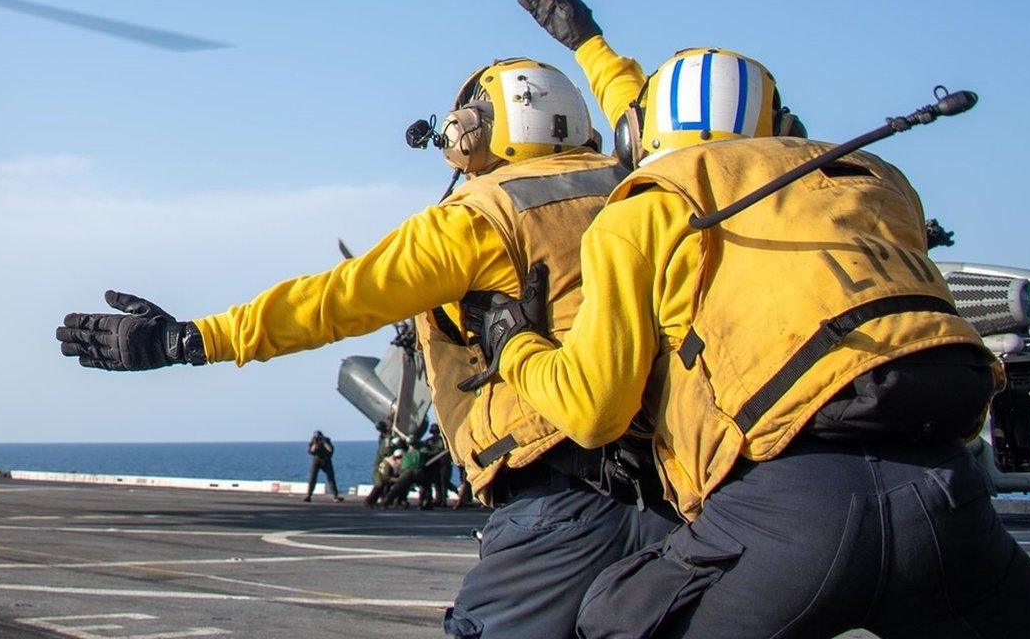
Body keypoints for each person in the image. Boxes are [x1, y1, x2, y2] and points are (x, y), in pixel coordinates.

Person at [462, 5, 1030, 637]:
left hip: (785, 512)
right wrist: (589, 43)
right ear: (786, 126)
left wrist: (512, 341)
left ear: (638, 139)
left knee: (613, 618)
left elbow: (593, 409)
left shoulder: (646, 205)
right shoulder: (876, 184)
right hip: (950, 501)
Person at [55, 56, 673, 639]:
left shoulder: (478, 219)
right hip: (677, 489)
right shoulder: (639, 184)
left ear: (473, 133)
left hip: (558, 497)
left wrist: (188, 339)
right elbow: (636, 103)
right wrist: (591, 42)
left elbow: (338, 300)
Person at [305, 430, 342, 502]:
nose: (317, 437)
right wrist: (315, 443)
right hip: (316, 460)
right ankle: (309, 496)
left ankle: (335, 497)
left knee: (331, 478)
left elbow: (330, 449)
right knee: (312, 478)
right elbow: (311, 451)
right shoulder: (313, 441)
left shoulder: (327, 440)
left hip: (326, 460)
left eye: (319, 436)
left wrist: (324, 441)